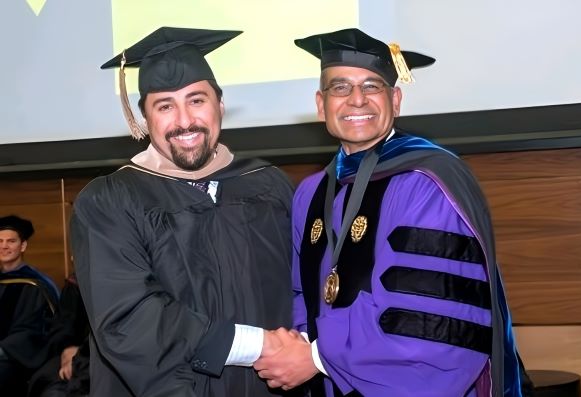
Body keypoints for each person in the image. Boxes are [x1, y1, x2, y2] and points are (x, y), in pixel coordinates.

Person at [254, 28, 529, 396]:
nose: (356, 100)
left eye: (371, 86)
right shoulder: (311, 192)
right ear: (321, 105)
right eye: (340, 87)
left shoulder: (425, 182)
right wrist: (299, 343)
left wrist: (318, 357)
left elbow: (424, 322)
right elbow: (300, 292)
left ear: (395, 100)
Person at [69, 27, 297, 397]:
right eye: (164, 106)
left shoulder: (269, 185)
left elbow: (301, 288)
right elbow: (130, 320)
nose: (184, 121)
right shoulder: (109, 201)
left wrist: (301, 355)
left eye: (196, 100)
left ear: (220, 106)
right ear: (144, 118)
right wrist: (258, 345)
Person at [0, 215, 59, 396]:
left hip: (15, 360)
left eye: (11, 241)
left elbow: (31, 331)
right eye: (0, 241)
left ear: (23, 245)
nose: (4, 246)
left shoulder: (35, 284)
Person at [28, 273, 90, 397]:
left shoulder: (133, 283)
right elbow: (64, 325)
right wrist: (67, 349)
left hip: (108, 357)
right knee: (49, 385)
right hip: (77, 352)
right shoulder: (78, 283)